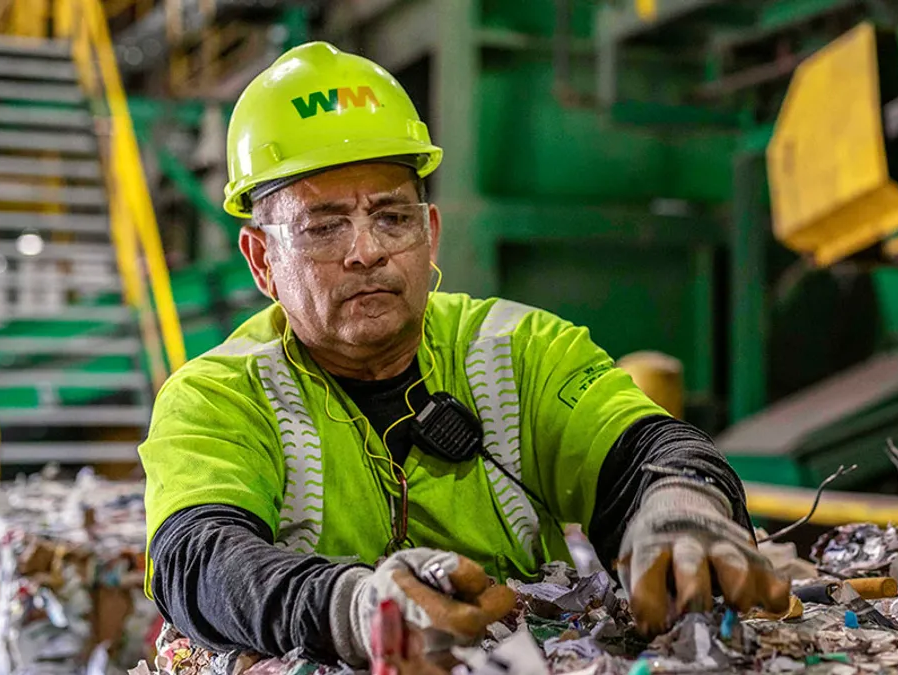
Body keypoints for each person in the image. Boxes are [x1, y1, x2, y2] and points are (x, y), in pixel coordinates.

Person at [139, 41, 789, 669]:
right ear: (261, 261)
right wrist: (355, 608)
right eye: (324, 227)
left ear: (431, 233)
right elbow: (196, 557)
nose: (366, 250)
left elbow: (645, 449)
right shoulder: (218, 395)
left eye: (392, 217)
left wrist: (680, 506)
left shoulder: (522, 350)